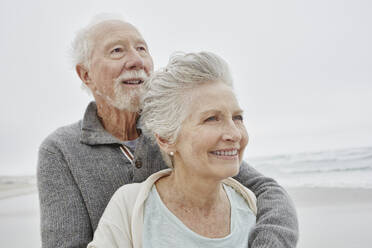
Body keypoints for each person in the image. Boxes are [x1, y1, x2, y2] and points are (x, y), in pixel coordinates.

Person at [37, 15, 298, 248]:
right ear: (85, 74)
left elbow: (266, 190)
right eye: (117, 50)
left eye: (142, 48)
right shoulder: (60, 150)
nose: (137, 60)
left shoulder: (178, 130)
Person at [88, 52, 258, 248]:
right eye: (211, 118)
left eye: (238, 118)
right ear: (166, 138)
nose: (234, 134)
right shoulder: (130, 206)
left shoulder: (248, 204)